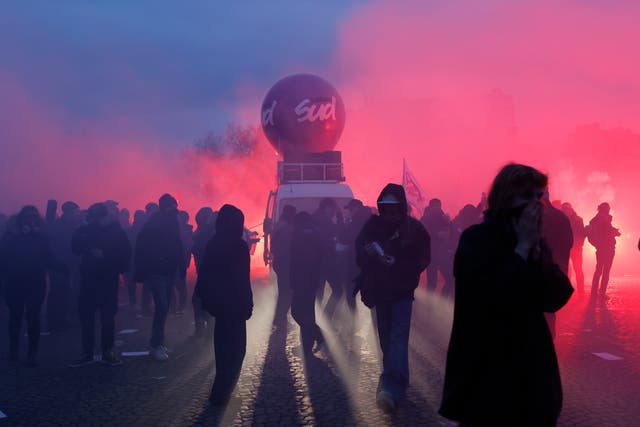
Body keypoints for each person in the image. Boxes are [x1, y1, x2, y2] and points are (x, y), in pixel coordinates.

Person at [440, 163, 574, 427]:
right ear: (506, 198)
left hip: (533, 378)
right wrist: (522, 250)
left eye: (540, 197)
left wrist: (536, 254)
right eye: (528, 197)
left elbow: (556, 297)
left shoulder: (536, 240)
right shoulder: (476, 240)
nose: (537, 205)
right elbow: (493, 298)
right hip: (486, 375)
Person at [355, 184, 431, 413]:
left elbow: (423, 258)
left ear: (401, 207)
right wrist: (367, 253)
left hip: (402, 291)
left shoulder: (414, 229)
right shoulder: (372, 226)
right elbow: (359, 250)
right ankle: (399, 381)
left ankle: (389, 388)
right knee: (387, 340)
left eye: (394, 208)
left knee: (397, 337)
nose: (390, 213)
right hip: (380, 291)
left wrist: (398, 264)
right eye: (386, 208)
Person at [195, 204, 253, 406]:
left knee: (222, 350)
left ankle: (220, 392)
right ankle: (224, 392)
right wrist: (248, 304)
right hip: (235, 306)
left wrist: (204, 298)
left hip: (220, 305)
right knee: (237, 350)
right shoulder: (238, 246)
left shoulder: (214, 243)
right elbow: (242, 280)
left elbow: (205, 272)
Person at [69, 203, 131, 367]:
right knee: (86, 317)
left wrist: (105, 255)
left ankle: (107, 351)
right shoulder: (86, 229)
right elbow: (74, 247)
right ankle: (87, 352)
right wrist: (80, 230)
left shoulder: (117, 231)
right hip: (89, 279)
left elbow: (125, 255)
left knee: (107, 317)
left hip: (107, 279)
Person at [0, 206, 62, 366]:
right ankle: (14, 351)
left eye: (34, 216)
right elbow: (3, 258)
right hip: (14, 282)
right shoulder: (10, 236)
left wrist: (62, 268)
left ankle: (32, 354)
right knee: (15, 317)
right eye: (28, 216)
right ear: (21, 219)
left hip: (35, 283)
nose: (31, 219)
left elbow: (49, 257)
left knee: (33, 318)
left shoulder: (41, 238)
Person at [135, 194, 185, 361]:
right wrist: (147, 266)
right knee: (162, 306)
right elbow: (142, 246)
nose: (175, 209)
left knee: (165, 308)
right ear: (165, 207)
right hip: (156, 271)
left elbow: (178, 244)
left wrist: (181, 264)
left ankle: (158, 342)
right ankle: (156, 344)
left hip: (168, 271)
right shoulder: (153, 223)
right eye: (172, 206)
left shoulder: (173, 222)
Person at [289, 211, 326, 358]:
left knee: (297, 312)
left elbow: (294, 260)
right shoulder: (316, 233)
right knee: (308, 313)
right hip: (312, 279)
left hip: (301, 280)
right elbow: (321, 256)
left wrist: (292, 281)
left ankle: (319, 336)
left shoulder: (298, 234)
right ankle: (307, 346)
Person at [541, 193, 573, 339]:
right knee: (549, 310)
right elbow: (569, 241)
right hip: (555, 267)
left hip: (539, 266)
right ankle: (549, 342)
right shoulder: (561, 217)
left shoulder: (533, 217)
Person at [47, 201, 81, 332]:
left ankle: (60, 319)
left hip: (67, 264)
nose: (76, 215)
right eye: (74, 212)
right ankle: (55, 321)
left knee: (64, 292)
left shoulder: (69, 226)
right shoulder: (59, 227)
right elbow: (60, 246)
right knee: (58, 292)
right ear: (68, 212)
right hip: (59, 264)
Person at [585, 202, 620, 298]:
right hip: (608, 248)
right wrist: (615, 232)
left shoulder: (595, 219)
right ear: (607, 209)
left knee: (598, 270)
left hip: (600, 248)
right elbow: (607, 232)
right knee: (606, 271)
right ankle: (602, 293)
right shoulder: (604, 219)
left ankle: (594, 292)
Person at [421, 199, 454, 297]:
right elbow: (422, 233)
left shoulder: (443, 217)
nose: (437, 209)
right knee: (433, 283)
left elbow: (452, 232)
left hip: (441, 254)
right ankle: (430, 305)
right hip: (432, 254)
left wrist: (448, 224)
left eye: (438, 206)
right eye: (435, 206)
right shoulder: (425, 218)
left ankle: (439, 302)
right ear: (431, 207)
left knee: (449, 279)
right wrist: (437, 235)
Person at [191, 207, 216, 337]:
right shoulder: (208, 232)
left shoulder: (203, 233)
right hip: (207, 271)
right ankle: (206, 326)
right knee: (200, 299)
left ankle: (205, 327)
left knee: (199, 299)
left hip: (206, 271)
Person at [270, 205, 296, 328]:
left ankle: (280, 317)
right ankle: (280, 318)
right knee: (287, 292)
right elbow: (287, 247)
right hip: (285, 263)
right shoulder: (285, 228)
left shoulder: (279, 225)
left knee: (283, 292)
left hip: (280, 263)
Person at [561, 202, 586, 293]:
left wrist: (579, 245)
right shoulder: (560, 219)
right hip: (566, 248)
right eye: (565, 209)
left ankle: (580, 292)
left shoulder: (578, 220)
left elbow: (582, 234)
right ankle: (567, 291)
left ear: (571, 209)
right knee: (566, 270)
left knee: (578, 270)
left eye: (567, 209)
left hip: (574, 248)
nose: (566, 211)